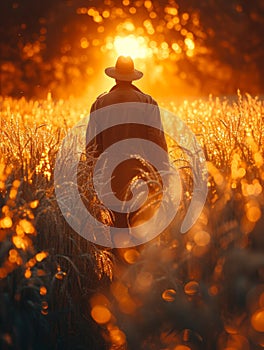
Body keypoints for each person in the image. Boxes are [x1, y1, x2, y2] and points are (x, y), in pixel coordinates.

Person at [85, 56, 168, 229]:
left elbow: (92, 146)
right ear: (133, 78)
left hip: (109, 174)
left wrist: (89, 177)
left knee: (117, 226)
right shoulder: (147, 102)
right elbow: (156, 140)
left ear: (115, 77)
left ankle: (117, 255)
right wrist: (162, 175)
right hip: (141, 173)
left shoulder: (100, 103)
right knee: (141, 225)